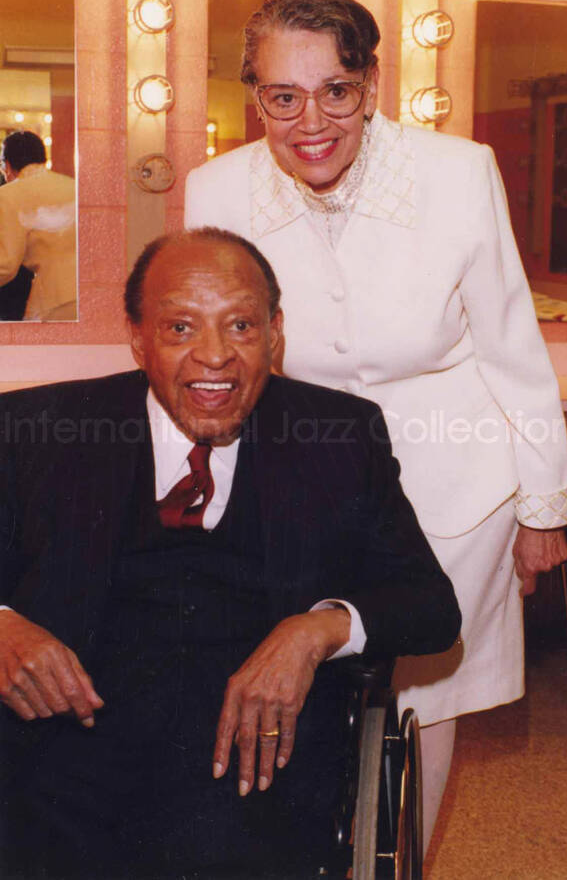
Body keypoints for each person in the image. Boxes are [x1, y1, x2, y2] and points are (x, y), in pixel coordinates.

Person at [184, 0, 567, 851]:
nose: (309, 119)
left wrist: (542, 510)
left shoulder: (458, 171)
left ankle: (403, 864)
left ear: (368, 83)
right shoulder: (216, 188)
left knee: (425, 701)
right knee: (300, 679)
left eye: (336, 89)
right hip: (303, 478)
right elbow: (219, 358)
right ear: (255, 97)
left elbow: (511, 345)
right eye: (282, 96)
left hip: (456, 483)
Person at [0, 227, 460, 879]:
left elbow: (430, 608)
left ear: (273, 333)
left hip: (256, 763)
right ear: (137, 336)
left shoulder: (338, 434)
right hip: (66, 750)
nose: (213, 357)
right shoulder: (37, 430)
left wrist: (313, 630)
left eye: (239, 325)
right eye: (181, 328)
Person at [0, 130, 76, 321]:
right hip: (88, 290)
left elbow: (6, 265)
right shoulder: (73, 186)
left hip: (54, 296)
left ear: (8, 165)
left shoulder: (9, 195)